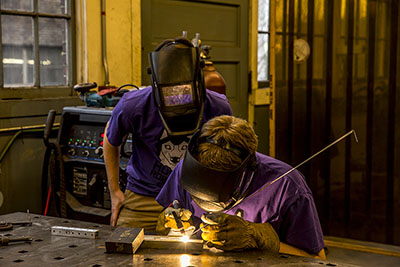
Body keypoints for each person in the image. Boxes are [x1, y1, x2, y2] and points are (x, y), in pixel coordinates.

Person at [103, 37, 232, 231]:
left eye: (185, 91)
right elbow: (110, 141)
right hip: (144, 197)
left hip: (198, 198)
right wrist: (115, 193)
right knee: (122, 247)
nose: (178, 98)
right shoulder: (133, 105)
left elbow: (229, 155)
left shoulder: (218, 106)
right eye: (170, 93)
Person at [156, 115, 326, 259]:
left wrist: (259, 238)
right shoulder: (187, 170)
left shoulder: (287, 186)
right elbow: (167, 218)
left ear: (245, 170)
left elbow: (317, 260)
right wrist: (169, 220)